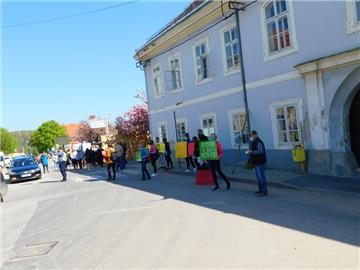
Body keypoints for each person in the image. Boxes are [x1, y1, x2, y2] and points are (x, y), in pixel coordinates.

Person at [247, 130, 268, 196]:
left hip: (260, 162)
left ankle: (264, 191)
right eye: (250, 135)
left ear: (255, 135)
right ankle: (260, 190)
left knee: (261, 177)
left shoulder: (258, 142)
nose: (251, 136)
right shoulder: (253, 142)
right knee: (259, 177)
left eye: (252, 135)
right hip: (256, 162)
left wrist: (251, 152)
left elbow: (260, 151)